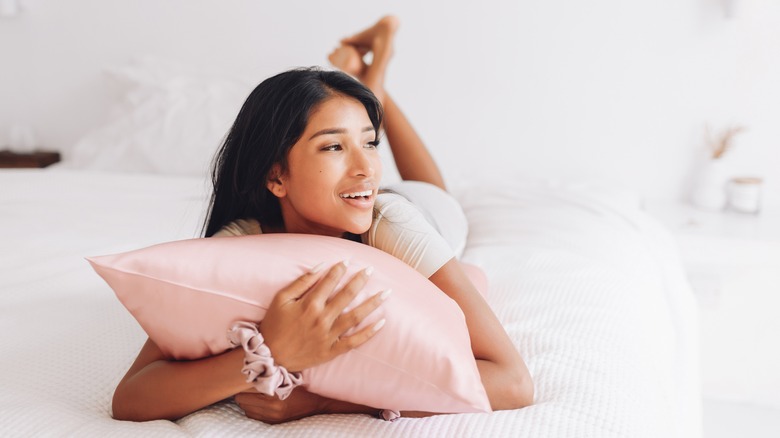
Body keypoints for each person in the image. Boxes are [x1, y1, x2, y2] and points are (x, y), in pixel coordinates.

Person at [112, 15, 533, 424]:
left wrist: (323, 402)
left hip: (424, 213)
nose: (367, 167)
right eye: (333, 147)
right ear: (276, 176)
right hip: (359, 202)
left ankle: (376, 79)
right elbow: (131, 399)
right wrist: (267, 354)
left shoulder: (392, 223)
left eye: (371, 143)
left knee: (435, 193)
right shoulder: (239, 245)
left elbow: (512, 383)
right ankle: (369, 78)